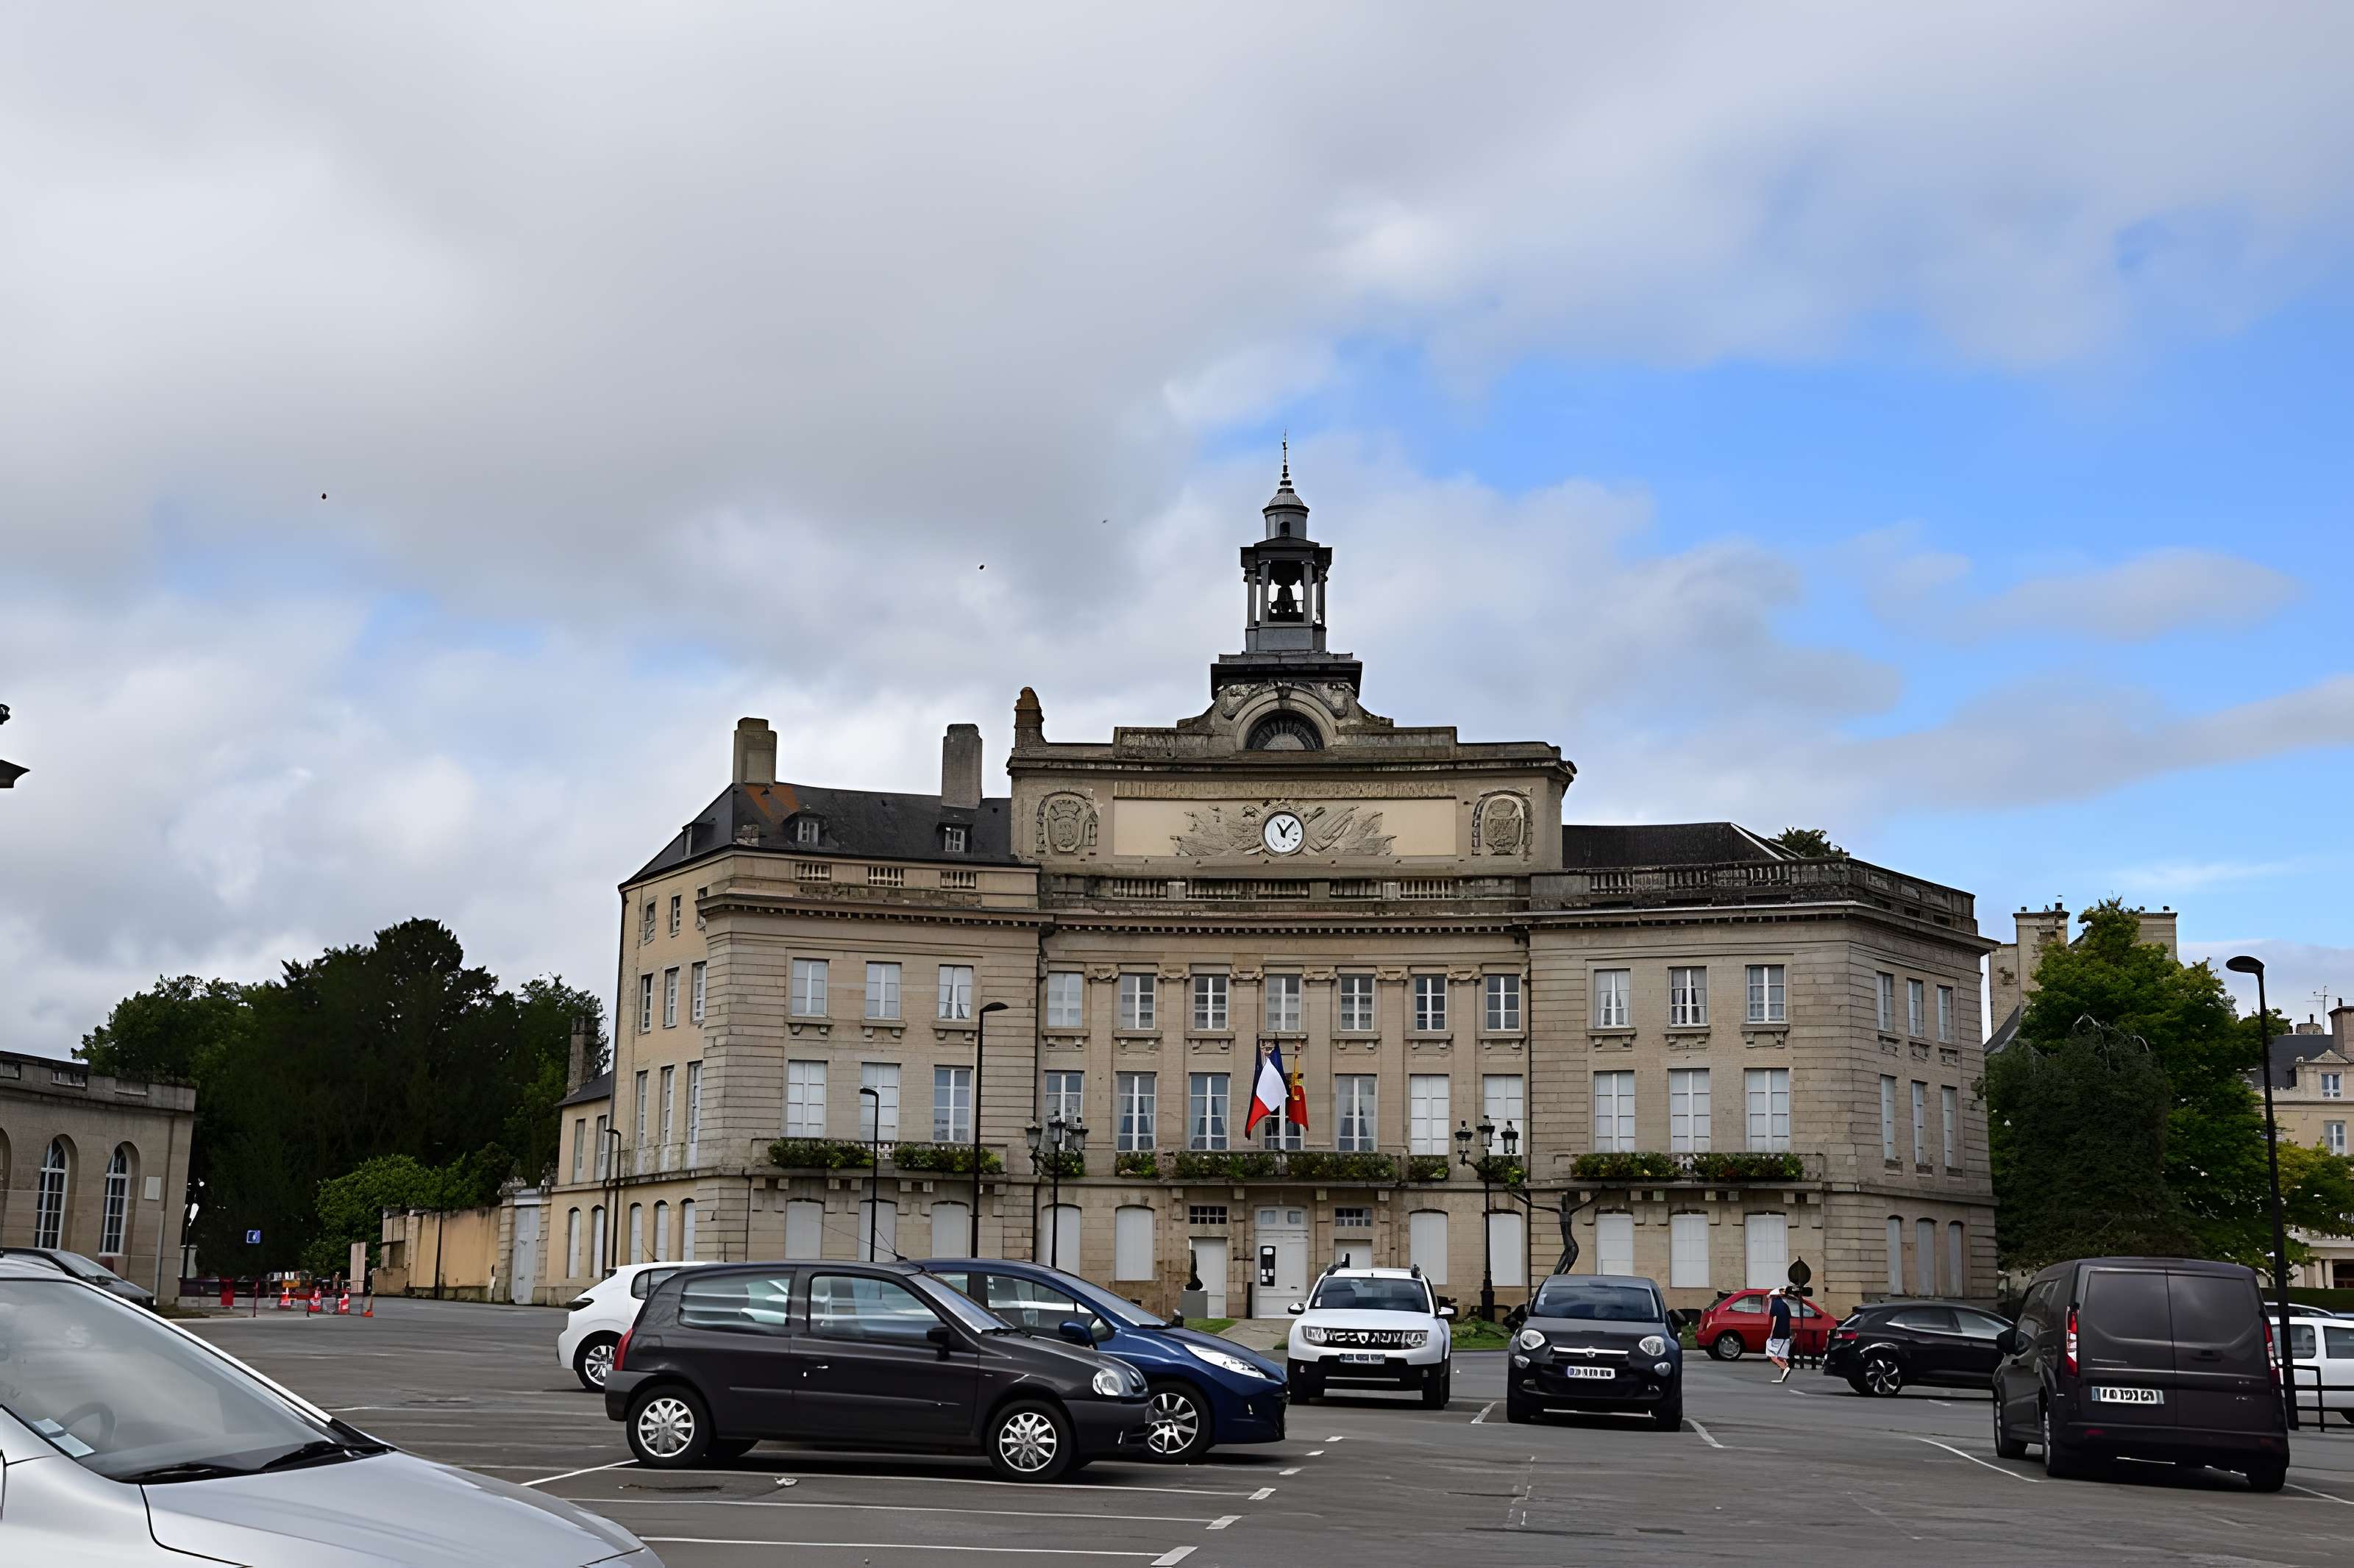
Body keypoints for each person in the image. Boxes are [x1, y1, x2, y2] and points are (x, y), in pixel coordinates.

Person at [1766, 1286, 1796, 1383]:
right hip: (1786, 1334)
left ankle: (1785, 1367)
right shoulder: (1785, 1305)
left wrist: (1772, 1333)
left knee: (1771, 1353)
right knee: (1781, 1355)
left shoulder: (1775, 1304)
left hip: (1778, 1333)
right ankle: (1783, 1373)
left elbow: (1775, 1318)